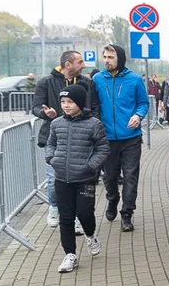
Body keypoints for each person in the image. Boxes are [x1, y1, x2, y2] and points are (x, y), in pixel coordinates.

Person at [45, 85, 108, 273]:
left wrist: (90, 166)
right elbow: (51, 144)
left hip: (84, 179)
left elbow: (103, 149)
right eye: (63, 102)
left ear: (80, 103)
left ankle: (90, 235)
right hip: (62, 178)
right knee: (66, 217)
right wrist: (52, 159)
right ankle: (70, 255)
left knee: (84, 213)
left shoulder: (94, 124)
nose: (65, 105)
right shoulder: (56, 124)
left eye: (70, 102)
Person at [32, 51, 99, 228]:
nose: (83, 65)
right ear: (68, 64)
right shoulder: (46, 82)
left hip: (81, 139)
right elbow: (36, 107)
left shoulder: (87, 83)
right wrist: (45, 113)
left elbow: (94, 107)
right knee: (54, 179)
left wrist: (94, 128)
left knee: (79, 181)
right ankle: (54, 206)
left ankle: (77, 218)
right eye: (80, 62)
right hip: (54, 138)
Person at [92, 44, 148, 232]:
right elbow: (93, 106)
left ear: (120, 59)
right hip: (106, 138)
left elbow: (143, 102)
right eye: (105, 57)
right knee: (109, 177)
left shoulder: (134, 80)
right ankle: (112, 199)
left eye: (111, 57)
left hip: (131, 137)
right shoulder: (97, 79)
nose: (107, 60)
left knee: (131, 176)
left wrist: (138, 115)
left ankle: (127, 214)